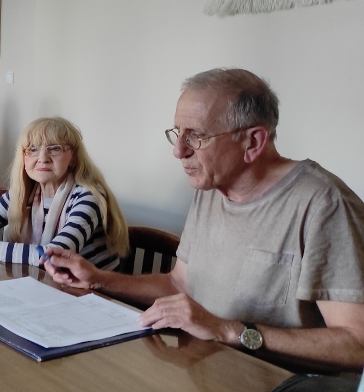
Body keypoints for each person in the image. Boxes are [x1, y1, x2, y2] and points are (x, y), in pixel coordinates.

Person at [44, 68, 364, 372]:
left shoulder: (324, 205)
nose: (179, 151)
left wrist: (229, 330)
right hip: (204, 367)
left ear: (253, 142)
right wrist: (99, 279)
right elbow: (179, 284)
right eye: (177, 133)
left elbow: (357, 342)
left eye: (196, 136)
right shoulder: (212, 185)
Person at [0, 117, 128, 271]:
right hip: (45, 286)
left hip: (92, 296)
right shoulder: (24, 193)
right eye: (32, 149)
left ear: (73, 158)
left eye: (54, 149)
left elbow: (54, 256)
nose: (42, 158)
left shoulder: (88, 195)